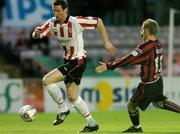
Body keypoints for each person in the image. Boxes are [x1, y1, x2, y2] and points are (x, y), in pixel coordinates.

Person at [32, 0, 115, 132]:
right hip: (69, 61)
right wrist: (36, 33)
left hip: (78, 61)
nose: (56, 13)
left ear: (66, 10)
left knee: (47, 80)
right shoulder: (52, 23)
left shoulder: (76, 22)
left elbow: (98, 21)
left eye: (59, 11)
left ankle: (63, 109)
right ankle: (92, 123)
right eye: (54, 11)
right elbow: (37, 35)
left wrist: (106, 42)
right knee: (72, 96)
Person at [96, 19, 180, 133]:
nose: (140, 32)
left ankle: (137, 128)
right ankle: (137, 128)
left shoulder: (146, 47)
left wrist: (109, 65)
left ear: (146, 30)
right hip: (157, 80)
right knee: (159, 103)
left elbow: (129, 58)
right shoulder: (158, 43)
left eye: (142, 29)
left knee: (131, 105)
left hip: (148, 84)